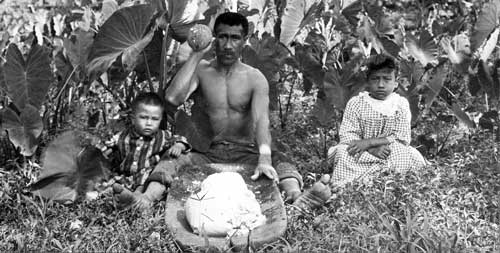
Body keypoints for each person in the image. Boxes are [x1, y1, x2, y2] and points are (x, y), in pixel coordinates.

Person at [144, 12, 331, 210]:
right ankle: (146, 199)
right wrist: (197, 54)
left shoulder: (254, 78)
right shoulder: (201, 70)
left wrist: (265, 159)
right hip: (206, 152)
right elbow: (173, 98)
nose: (227, 45)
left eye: (235, 38)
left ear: (244, 40)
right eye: (223, 37)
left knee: (280, 159)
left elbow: (261, 121)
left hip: (245, 152)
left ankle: (298, 197)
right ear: (214, 38)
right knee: (172, 159)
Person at [328, 54, 426, 186]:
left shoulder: (400, 104)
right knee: (343, 154)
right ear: (367, 81)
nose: (381, 85)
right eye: (375, 79)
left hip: (389, 151)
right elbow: (348, 135)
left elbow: (401, 137)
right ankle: (349, 185)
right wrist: (369, 149)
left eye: (386, 79)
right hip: (360, 151)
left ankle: (388, 183)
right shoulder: (356, 103)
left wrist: (371, 143)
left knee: (402, 153)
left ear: (396, 82)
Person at [99, 92, 191, 209]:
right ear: (133, 118)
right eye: (143, 117)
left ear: (160, 119)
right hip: (124, 175)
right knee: (108, 185)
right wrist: (103, 151)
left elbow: (180, 139)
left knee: (147, 181)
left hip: (146, 176)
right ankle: (118, 195)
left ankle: (137, 199)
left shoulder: (162, 136)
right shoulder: (122, 136)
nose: (149, 123)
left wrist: (179, 146)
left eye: (154, 119)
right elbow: (105, 147)